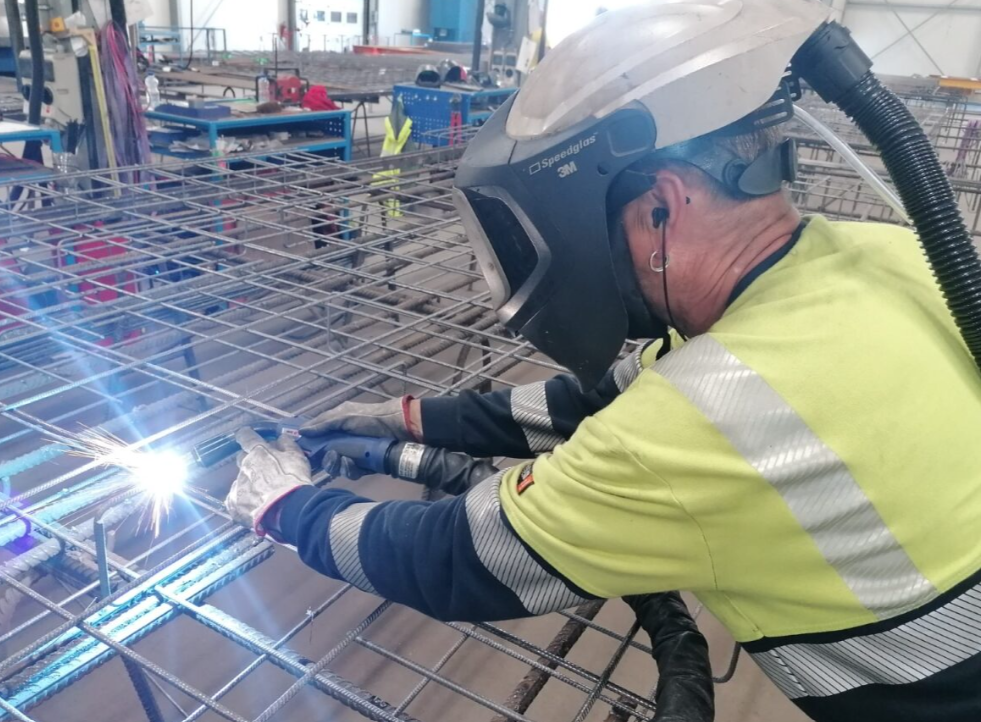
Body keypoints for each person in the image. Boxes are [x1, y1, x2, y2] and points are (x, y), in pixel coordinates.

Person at [226, 2, 981, 721]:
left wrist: (286, 509)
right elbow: (599, 399)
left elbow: (459, 555)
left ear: (662, 206)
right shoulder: (882, 254)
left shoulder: (706, 422)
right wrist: (405, 418)